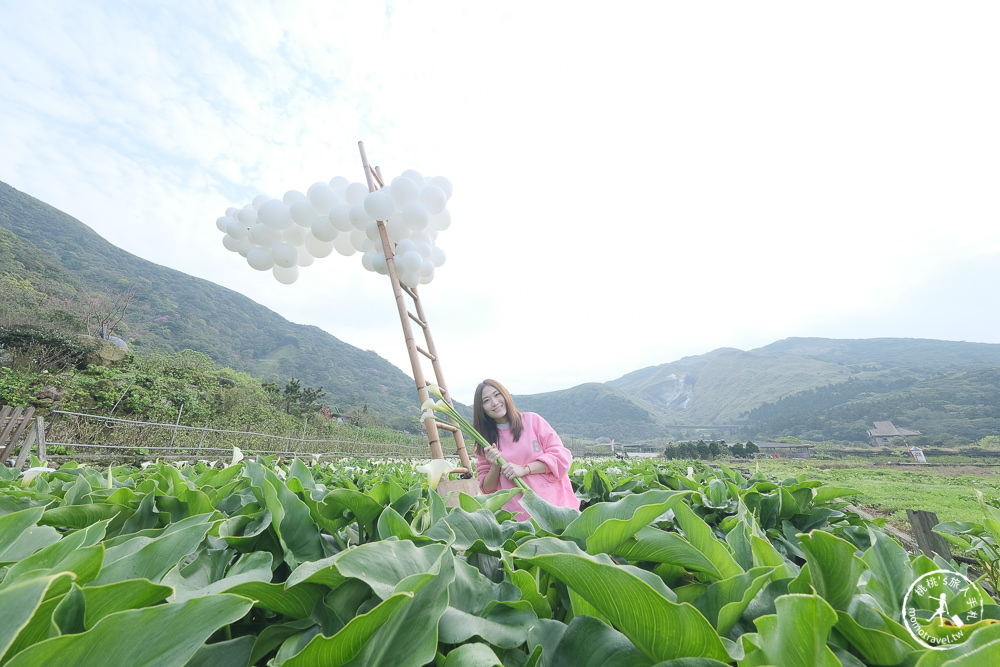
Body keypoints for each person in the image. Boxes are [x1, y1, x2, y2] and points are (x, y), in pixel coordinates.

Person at [472, 378, 581, 520]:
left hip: (555, 507)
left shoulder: (532, 421)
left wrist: (524, 469)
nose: (494, 402)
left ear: (506, 395)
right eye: (486, 400)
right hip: (519, 517)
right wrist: (495, 465)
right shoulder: (484, 441)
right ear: (481, 409)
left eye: (497, 394)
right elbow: (487, 488)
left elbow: (561, 458)